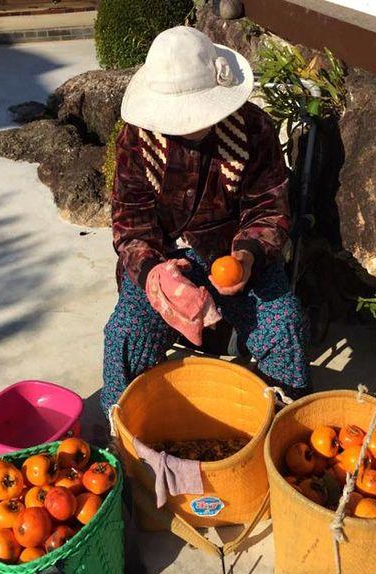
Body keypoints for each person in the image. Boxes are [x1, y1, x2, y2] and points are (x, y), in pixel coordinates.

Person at [100, 26, 310, 413]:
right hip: (161, 260)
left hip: (235, 254)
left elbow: (268, 208)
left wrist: (246, 257)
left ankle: (283, 425)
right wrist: (152, 272)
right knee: (126, 332)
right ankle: (125, 432)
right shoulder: (137, 137)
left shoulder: (252, 129)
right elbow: (130, 219)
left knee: (283, 323)